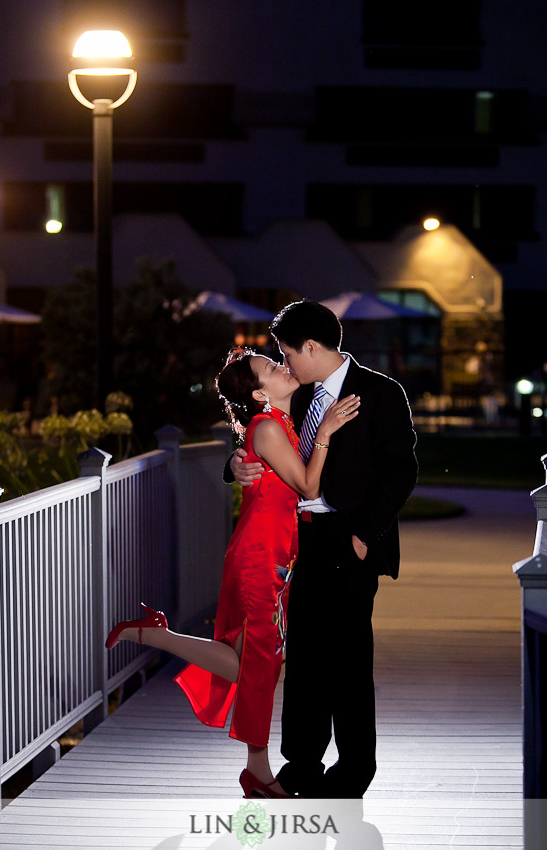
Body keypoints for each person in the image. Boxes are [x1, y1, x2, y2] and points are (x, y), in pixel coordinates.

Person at [105, 347, 359, 798]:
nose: (284, 367)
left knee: (255, 664)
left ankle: (255, 767)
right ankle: (256, 771)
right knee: (260, 665)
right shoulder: (268, 427)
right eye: (272, 368)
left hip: (273, 554)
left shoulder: (276, 421)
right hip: (260, 557)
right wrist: (326, 434)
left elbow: (269, 468)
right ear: (262, 393)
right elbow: (307, 485)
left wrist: (244, 461)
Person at [230, 300, 418, 798]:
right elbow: (262, 437)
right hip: (300, 543)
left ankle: (355, 769)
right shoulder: (300, 393)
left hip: (350, 540)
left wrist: (365, 535)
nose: (284, 363)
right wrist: (235, 463)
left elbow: (403, 471)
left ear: (311, 347)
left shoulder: (380, 393)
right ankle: (303, 762)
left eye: (287, 352)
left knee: (350, 658)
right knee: (307, 656)